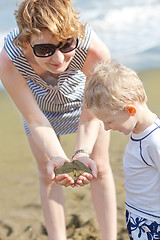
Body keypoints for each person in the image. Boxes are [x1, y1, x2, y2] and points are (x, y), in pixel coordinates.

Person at [0, 0, 117, 239]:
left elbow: (91, 113)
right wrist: (57, 156)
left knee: (101, 168)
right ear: (25, 42)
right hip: (41, 111)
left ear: (76, 36)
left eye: (66, 45)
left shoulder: (94, 50)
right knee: (49, 174)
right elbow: (34, 119)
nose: (58, 59)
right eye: (44, 49)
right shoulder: (9, 62)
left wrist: (81, 152)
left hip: (86, 104)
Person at [85, 60, 160, 239]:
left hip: (151, 222)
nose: (106, 128)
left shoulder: (154, 141)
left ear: (130, 110)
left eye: (109, 121)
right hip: (139, 215)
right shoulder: (140, 133)